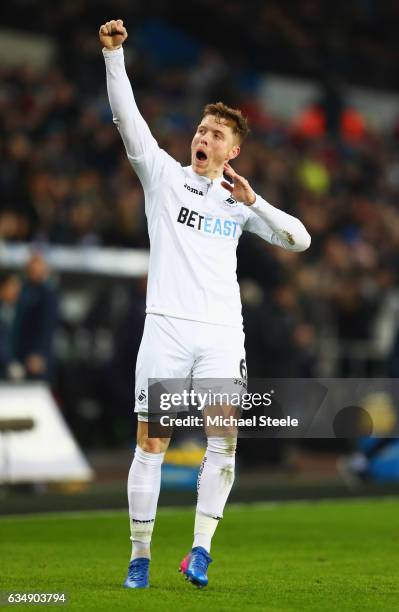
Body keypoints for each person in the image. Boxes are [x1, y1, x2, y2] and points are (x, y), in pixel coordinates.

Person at [99, 18, 311, 590]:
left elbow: (300, 240)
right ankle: (139, 555)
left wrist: (257, 200)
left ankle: (199, 552)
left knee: (225, 440)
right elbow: (129, 121)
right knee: (152, 443)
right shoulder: (163, 178)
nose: (205, 137)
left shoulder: (239, 204)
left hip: (221, 334)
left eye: (217, 134)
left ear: (232, 149)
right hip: (166, 328)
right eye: (201, 128)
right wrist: (114, 58)